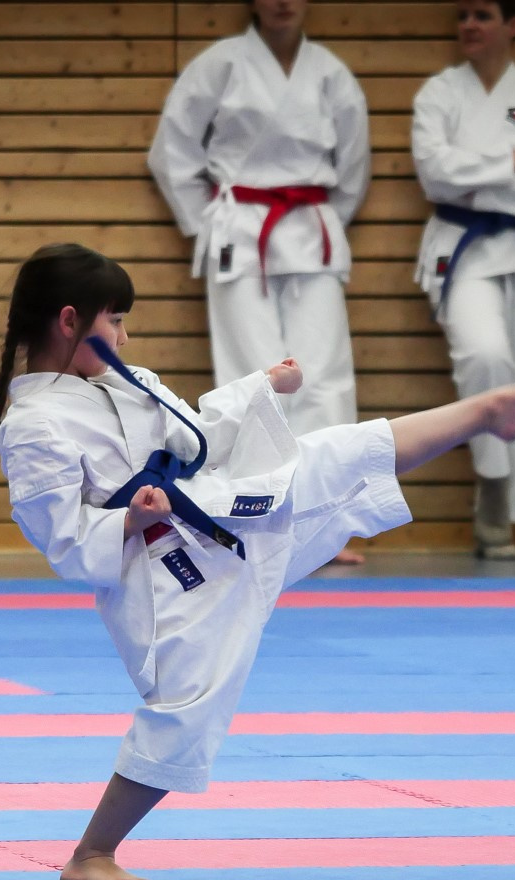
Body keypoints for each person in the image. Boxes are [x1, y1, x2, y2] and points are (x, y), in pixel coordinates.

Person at [0, 243, 515, 880]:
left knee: (334, 456)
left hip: (220, 515)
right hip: (163, 578)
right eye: (116, 321)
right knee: (187, 705)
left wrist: (259, 386)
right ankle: (91, 853)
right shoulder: (34, 424)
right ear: (69, 321)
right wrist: (127, 519)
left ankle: (485, 413)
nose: (125, 337)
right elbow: (60, 540)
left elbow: (199, 439)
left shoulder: (129, 381)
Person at [148, 0, 373, 564]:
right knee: (251, 377)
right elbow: (172, 151)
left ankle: (323, 524)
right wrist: (208, 223)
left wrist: (324, 218)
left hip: (310, 228)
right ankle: (258, 516)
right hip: (239, 233)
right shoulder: (220, 64)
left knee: (323, 377)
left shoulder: (330, 74)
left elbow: (353, 167)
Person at [412, 0, 515, 559]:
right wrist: (510, 163)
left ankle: (507, 511)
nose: (469, 25)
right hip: (464, 249)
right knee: (483, 355)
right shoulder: (440, 93)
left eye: (482, 15)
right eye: (462, 16)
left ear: (513, 25)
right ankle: (494, 485)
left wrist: (471, 176)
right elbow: (434, 175)